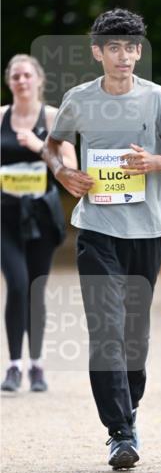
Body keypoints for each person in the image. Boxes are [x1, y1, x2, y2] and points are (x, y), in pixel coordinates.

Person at [43, 8, 161, 469]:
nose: (124, 56)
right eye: (114, 48)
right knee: (106, 329)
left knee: (134, 337)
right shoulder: (79, 99)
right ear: (97, 52)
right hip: (97, 229)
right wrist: (64, 171)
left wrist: (156, 162)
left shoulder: (159, 99)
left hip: (148, 232)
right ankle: (120, 432)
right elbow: (54, 144)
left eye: (132, 48)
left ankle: (128, 411)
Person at [1, 55, 77, 392]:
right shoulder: (1, 117)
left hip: (42, 218)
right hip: (5, 217)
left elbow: (71, 166)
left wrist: (39, 147)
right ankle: (14, 365)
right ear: (9, 81)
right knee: (17, 285)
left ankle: (37, 366)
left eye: (26, 75)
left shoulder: (52, 118)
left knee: (35, 289)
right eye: (15, 76)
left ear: (38, 80)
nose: (21, 81)